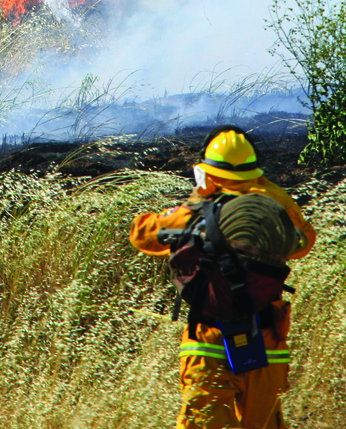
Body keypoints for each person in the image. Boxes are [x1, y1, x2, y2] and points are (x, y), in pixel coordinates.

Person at [129, 126, 316, 429]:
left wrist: (196, 198)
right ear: (254, 171)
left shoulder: (198, 209)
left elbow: (142, 234)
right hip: (266, 340)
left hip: (208, 341)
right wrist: (267, 190)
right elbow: (304, 243)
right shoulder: (275, 210)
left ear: (206, 172)